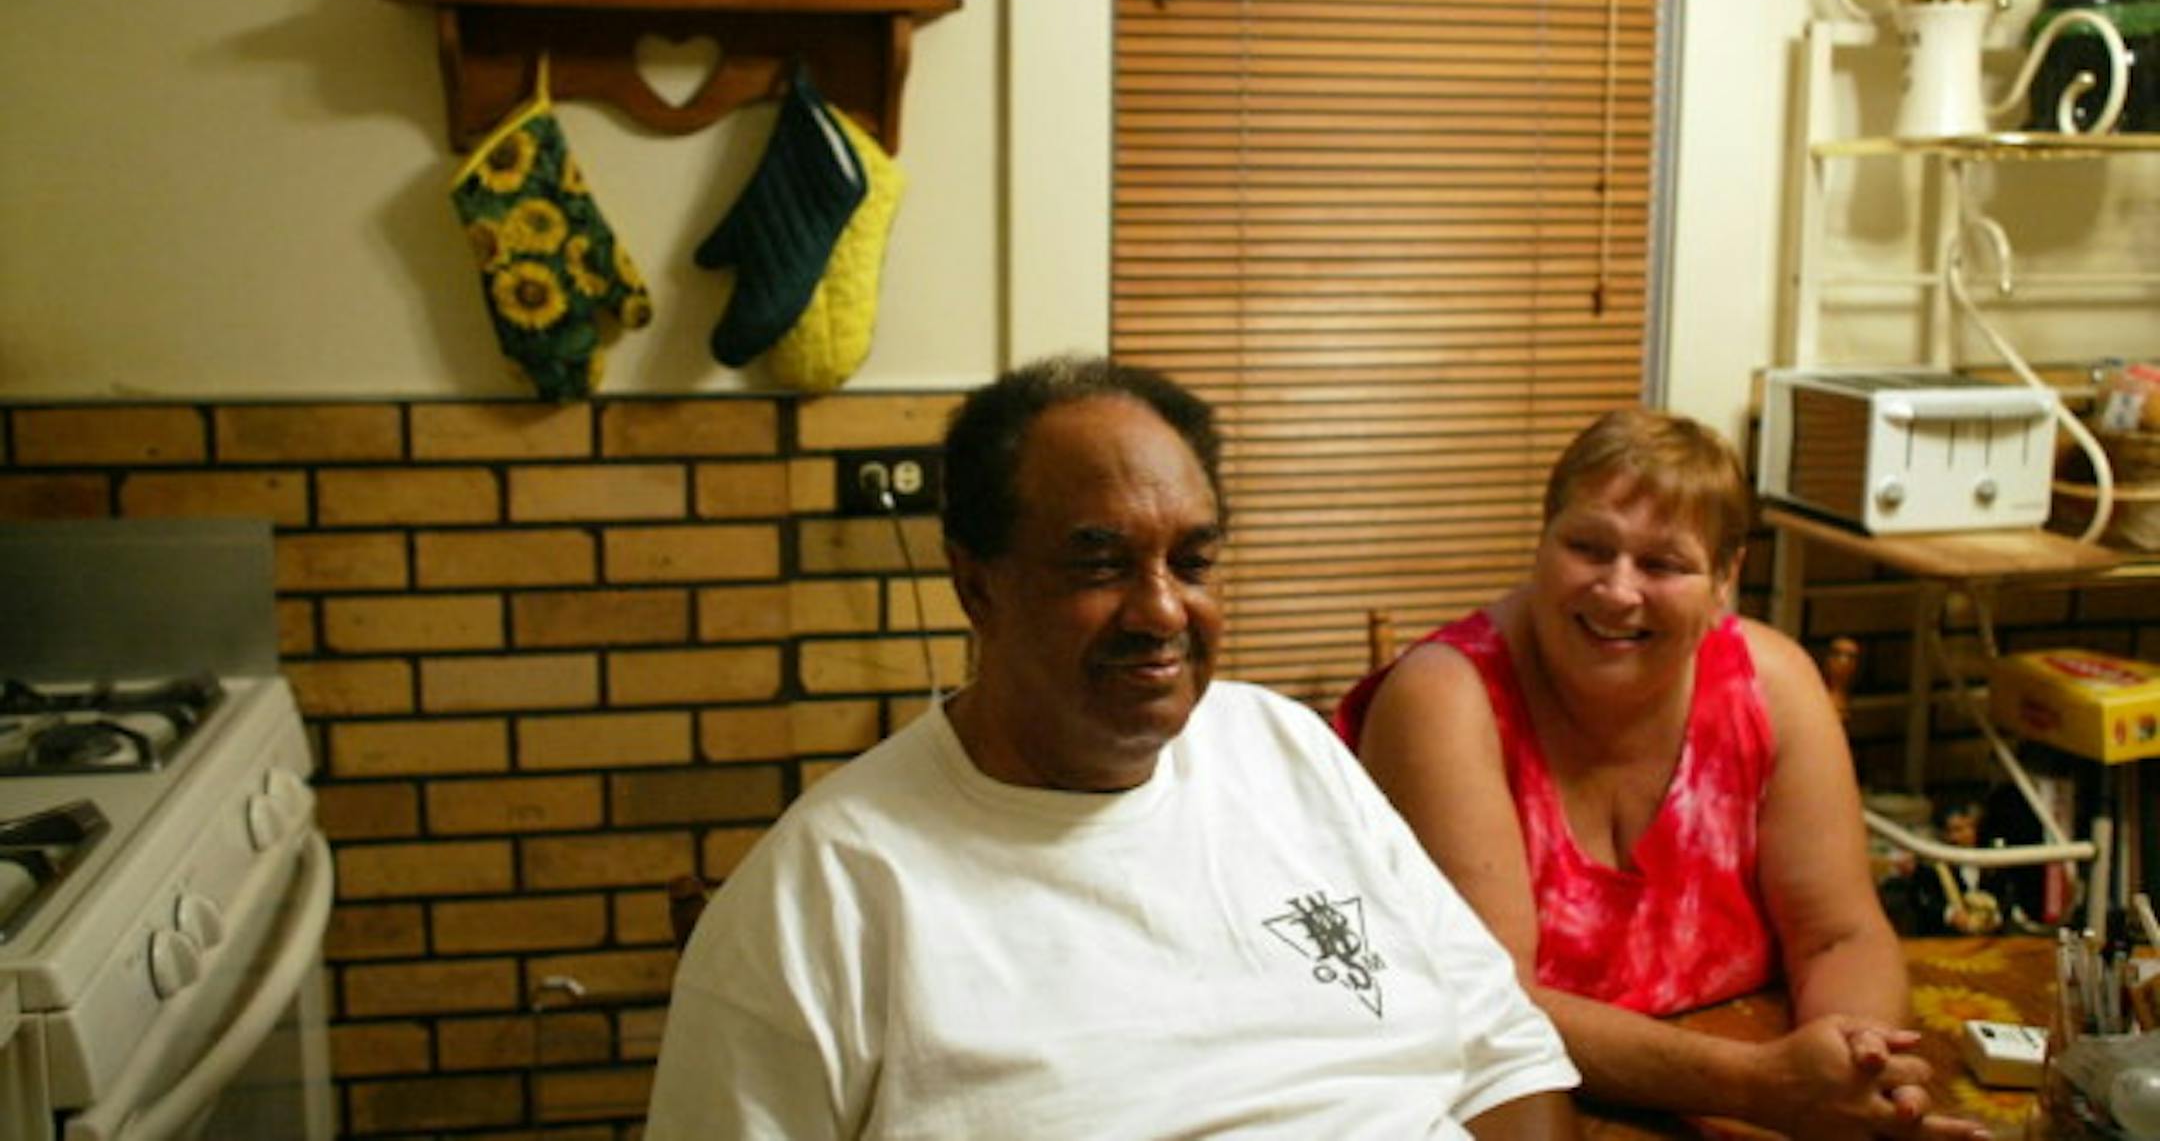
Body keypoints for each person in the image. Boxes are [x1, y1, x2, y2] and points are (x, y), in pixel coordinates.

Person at [646, 354, 1581, 1140]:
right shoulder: (831, 889)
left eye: (1193, 560)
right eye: (1101, 563)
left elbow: (1504, 1054)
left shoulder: (1290, 752)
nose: (1164, 609)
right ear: (977, 586)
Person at [1334, 407, 1989, 1141]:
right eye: (1587, 547)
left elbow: (1839, 934)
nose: (1617, 591)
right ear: (1542, 544)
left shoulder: (1774, 685)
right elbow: (1490, 1005)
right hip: (1518, 1100)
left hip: (1741, 1082)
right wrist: (1763, 1084)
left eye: (1663, 564)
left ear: (1724, 581)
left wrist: (1854, 1065)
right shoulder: (1445, 697)